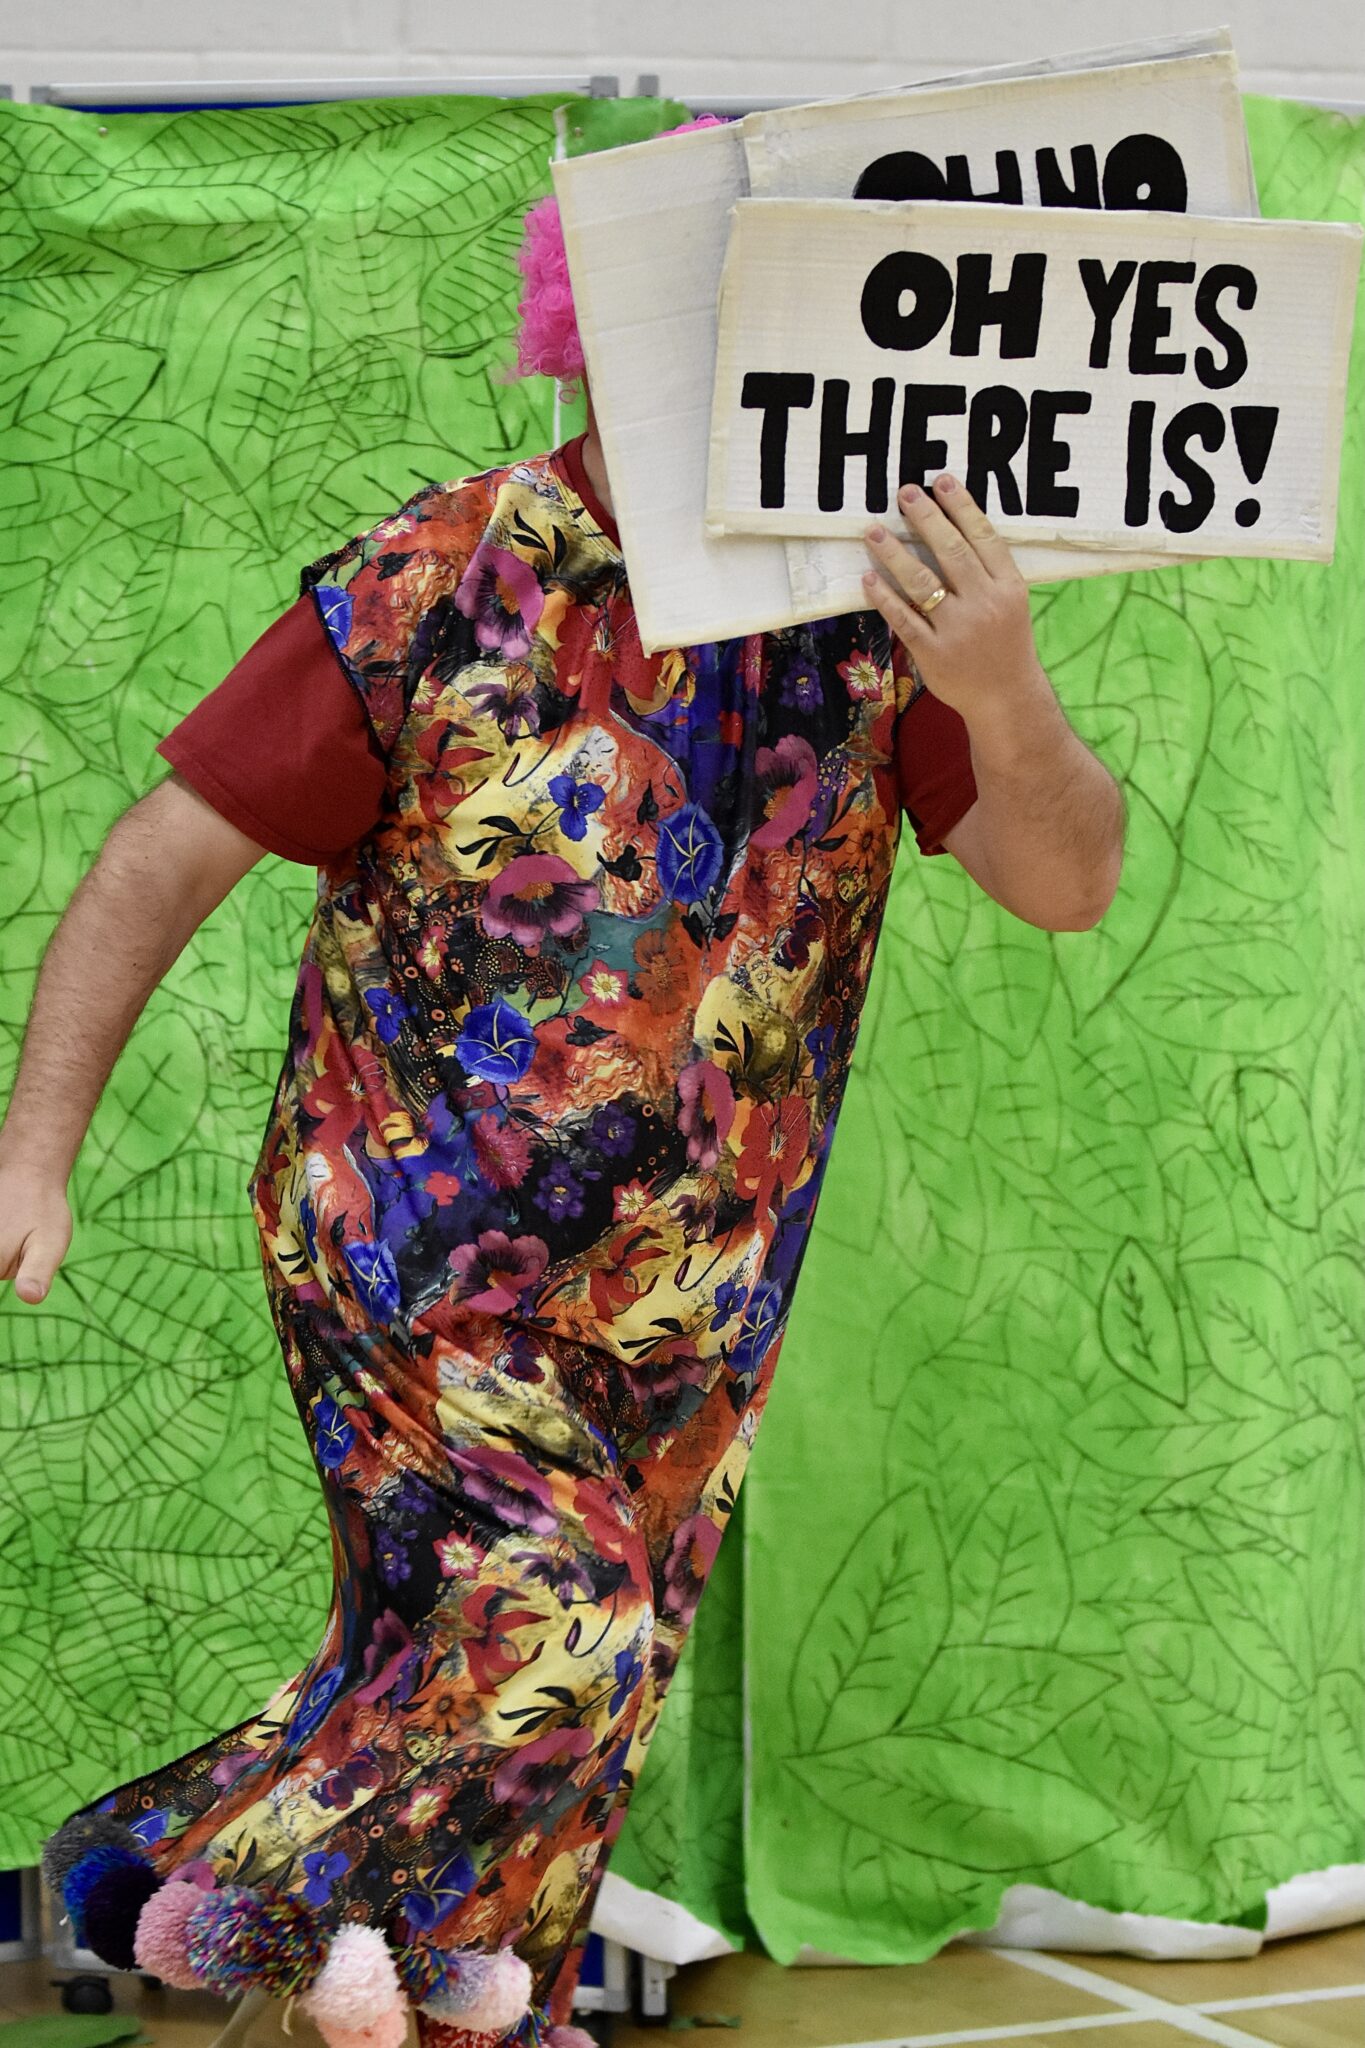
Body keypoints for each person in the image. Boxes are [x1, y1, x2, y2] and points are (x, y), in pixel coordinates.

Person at [1, 142, 1124, 2048]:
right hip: (411, 1257)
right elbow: (161, 854)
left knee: (559, 1698)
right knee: (562, 1629)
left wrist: (1004, 691)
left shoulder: (882, 605)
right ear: (587, 336)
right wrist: (35, 1152)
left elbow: (1065, 879)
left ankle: (467, 2001)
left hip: (695, 1295)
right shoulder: (437, 577)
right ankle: (198, 1883)